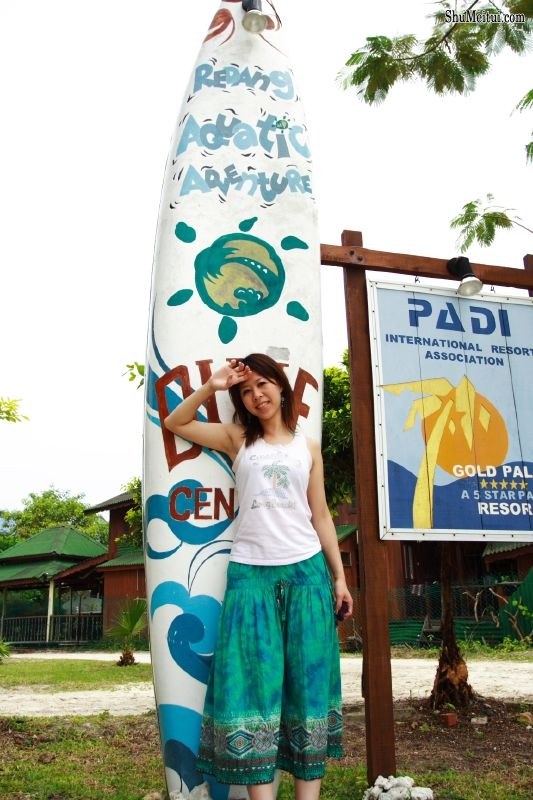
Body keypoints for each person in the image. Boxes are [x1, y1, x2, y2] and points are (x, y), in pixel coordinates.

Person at [164, 354, 353, 800]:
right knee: (252, 689)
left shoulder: (307, 447)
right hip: (250, 578)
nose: (256, 396)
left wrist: (339, 578)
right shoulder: (237, 439)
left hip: (307, 575)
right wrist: (213, 386)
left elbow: (321, 515)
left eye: (263, 385)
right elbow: (176, 422)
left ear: (281, 387)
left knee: (308, 689)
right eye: (246, 392)